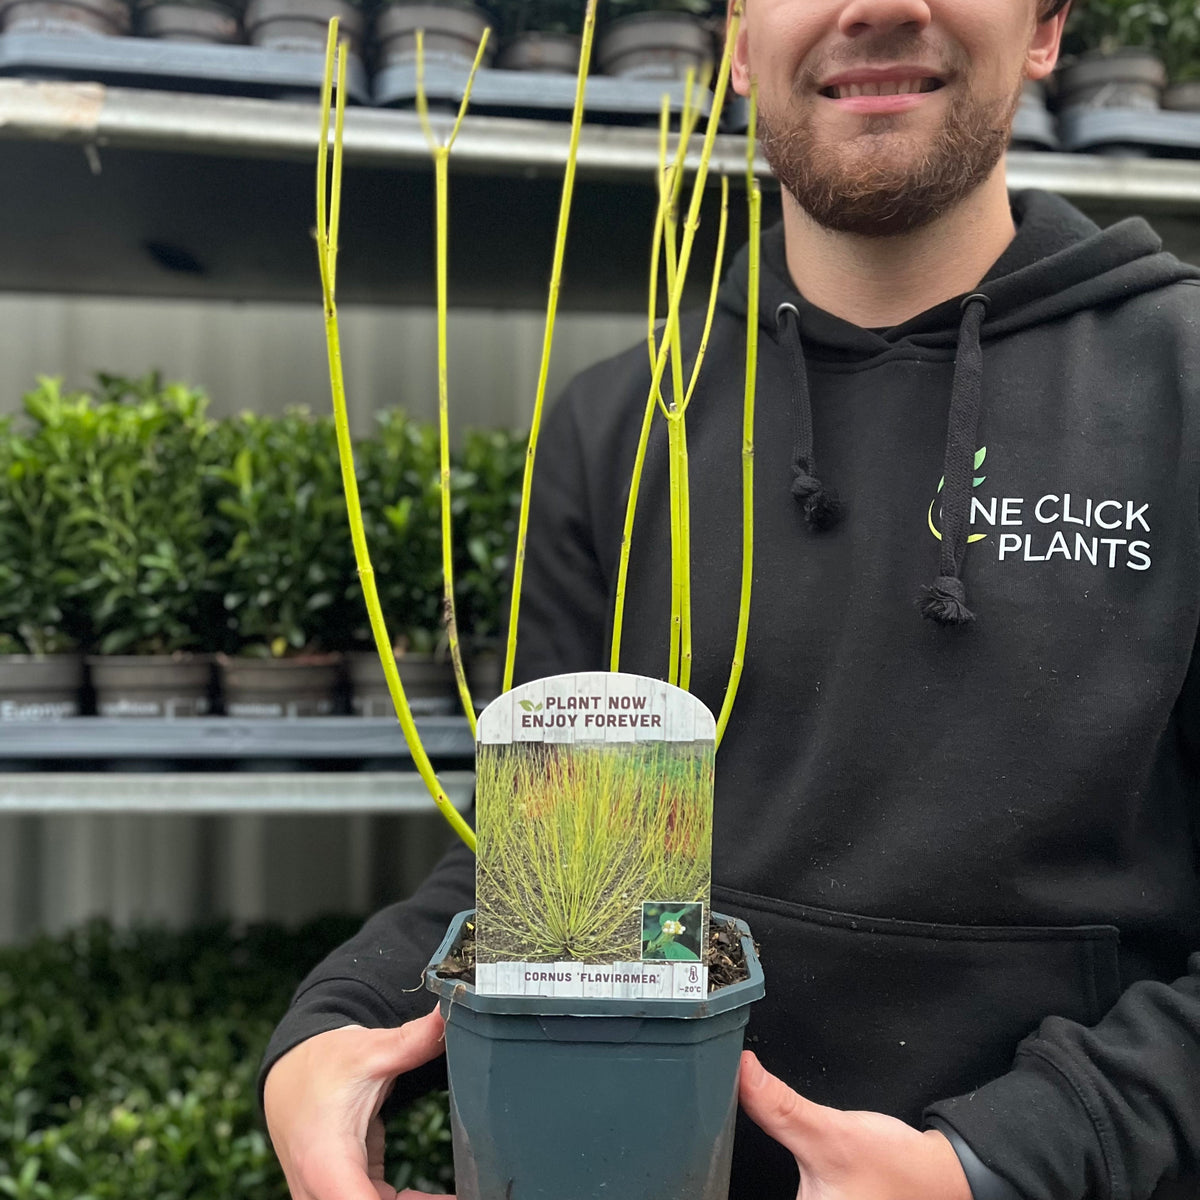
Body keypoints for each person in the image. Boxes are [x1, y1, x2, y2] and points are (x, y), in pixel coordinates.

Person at [261, 1, 1200, 1197]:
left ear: (1050, 25)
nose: (879, 4)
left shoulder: (1182, 392)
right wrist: (336, 1026)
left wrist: (992, 1162)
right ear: (740, 38)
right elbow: (549, 858)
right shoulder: (621, 425)